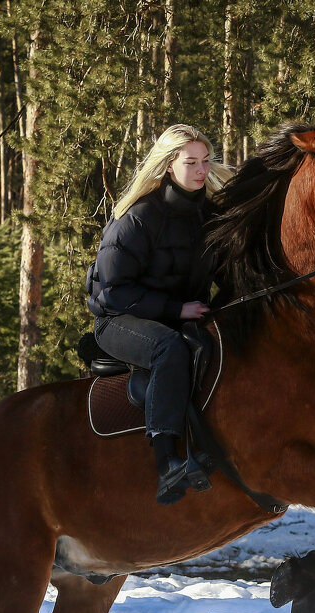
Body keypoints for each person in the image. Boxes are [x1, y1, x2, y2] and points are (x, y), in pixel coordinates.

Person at [87, 124, 233, 505]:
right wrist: (176, 309)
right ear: (169, 165)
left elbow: (223, 271)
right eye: (191, 162)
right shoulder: (138, 217)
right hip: (118, 318)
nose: (202, 170)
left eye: (205, 161)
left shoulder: (209, 215)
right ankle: (168, 464)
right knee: (169, 348)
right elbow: (111, 290)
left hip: (179, 313)